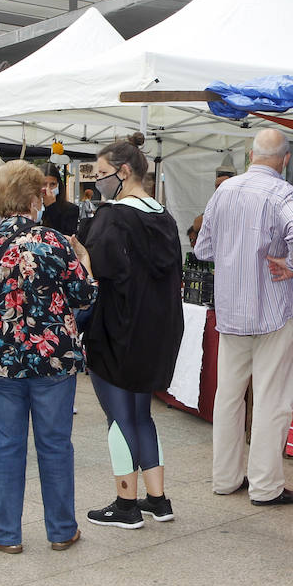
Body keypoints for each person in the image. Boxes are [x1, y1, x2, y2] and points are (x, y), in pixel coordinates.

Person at [0, 160, 95, 554]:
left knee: (6, 446)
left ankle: (4, 533)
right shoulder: (53, 243)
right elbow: (85, 296)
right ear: (36, 198)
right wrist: (83, 260)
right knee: (55, 444)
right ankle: (62, 530)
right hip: (53, 360)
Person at [194, 128, 293, 506]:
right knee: (271, 396)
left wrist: (235, 257)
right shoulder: (283, 193)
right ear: (285, 160)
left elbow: (202, 248)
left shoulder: (224, 191)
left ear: (250, 155)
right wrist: (292, 265)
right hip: (273, 309)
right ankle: (265, 485)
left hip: (232, 308)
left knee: (229, 395)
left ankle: (226, 478)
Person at [80, 133, 184, 529]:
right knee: (142, 414)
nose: (98, 181)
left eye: (103, 173)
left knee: (119, 416)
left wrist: (81, 255)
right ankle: (157, 499)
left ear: (124, 172)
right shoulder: (165, 216)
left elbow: (95, 277)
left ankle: (125, 505)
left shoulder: (113, 216)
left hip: (118, 329)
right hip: (157, 330)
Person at [39, 163, 79, 235]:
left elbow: (64, 236)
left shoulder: (71, 210)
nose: (48, 189)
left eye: (52, 184)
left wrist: (52, 207)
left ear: (58, 185)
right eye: (44, 184)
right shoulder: (31, 208)